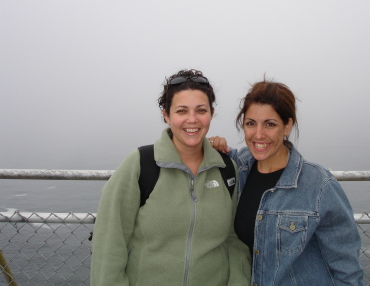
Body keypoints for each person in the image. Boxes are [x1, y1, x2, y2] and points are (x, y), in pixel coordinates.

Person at [90, 69, 251, 286]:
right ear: (166, 115)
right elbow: (109, 244)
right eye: (181, 111)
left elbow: (234, 241)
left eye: (201, 110)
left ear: (211, 113)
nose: (192, 120)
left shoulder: (226, 169)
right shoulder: (140, 164)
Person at [209, 79, 364, 286]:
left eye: (270, 124)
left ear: (287, 126)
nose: (258, 134)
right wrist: (209, 144)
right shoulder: (239, 167)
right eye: (250, 123)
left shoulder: (318, 185)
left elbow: (347, 269)